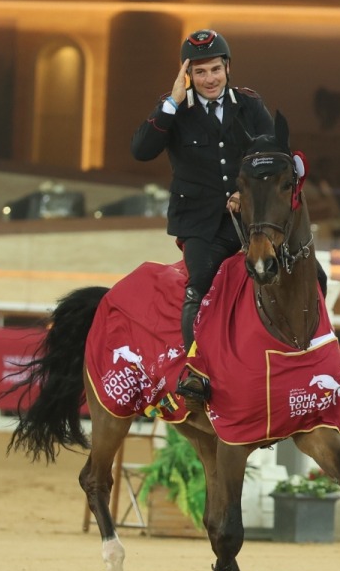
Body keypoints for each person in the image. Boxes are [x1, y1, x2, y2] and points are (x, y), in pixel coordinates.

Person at [131, 29, 325, 406]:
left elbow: (271, 155)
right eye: (200, 72)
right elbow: (141, 150)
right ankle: (195, 373)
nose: (209, 79)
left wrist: (246, 192)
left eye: (215, 70)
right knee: (200, 285)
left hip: (252, 218)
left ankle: (307, 356)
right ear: (188, 74)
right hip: (200, 223)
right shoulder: (176, 109)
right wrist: (170, 103)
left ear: (228, 68)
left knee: (311, 272)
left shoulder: (249, 105)